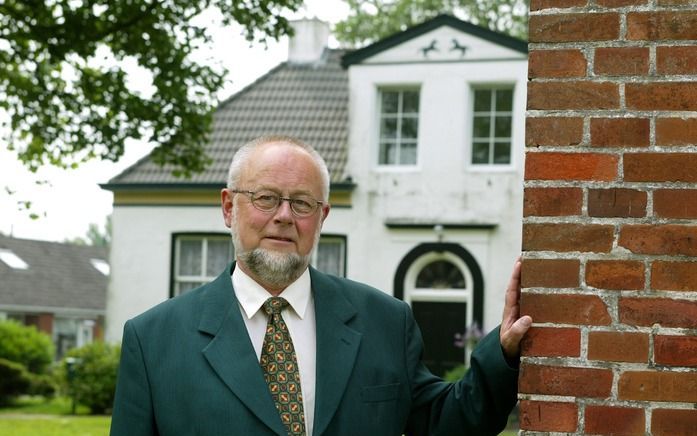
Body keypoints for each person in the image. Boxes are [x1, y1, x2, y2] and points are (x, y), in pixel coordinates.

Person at [110, 135, 532, 436]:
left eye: (302, 203)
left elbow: (445, 423)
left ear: (323, 217)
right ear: (227, 208)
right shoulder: (153, 341)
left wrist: (504, 351)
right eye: (265, 198)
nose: (284, 216)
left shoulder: (385, 321)